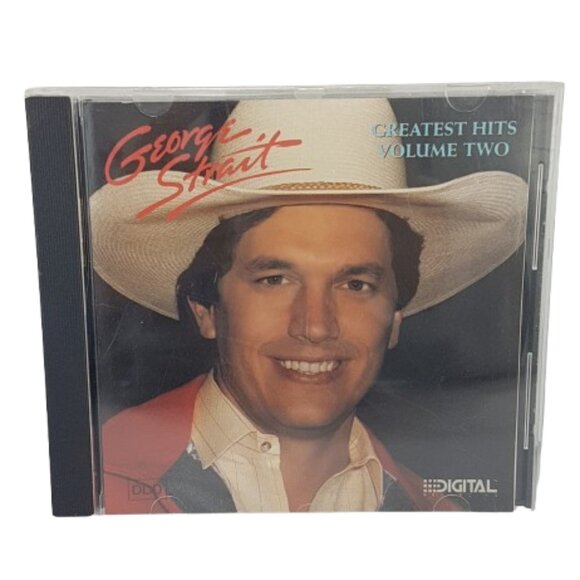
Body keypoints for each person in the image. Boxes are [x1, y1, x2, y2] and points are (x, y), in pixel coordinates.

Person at [91, 97, 527, 513]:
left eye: (355, 285)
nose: (316, 326)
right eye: (274, 280)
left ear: (395, 320)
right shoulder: (99, 480)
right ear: (207, 309)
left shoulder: (438, 518)